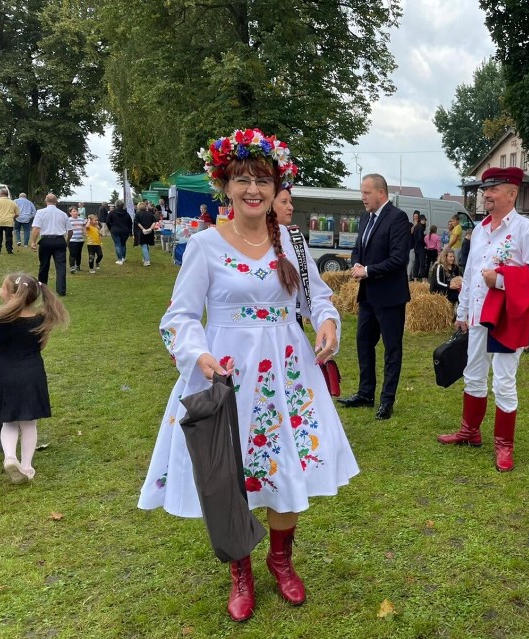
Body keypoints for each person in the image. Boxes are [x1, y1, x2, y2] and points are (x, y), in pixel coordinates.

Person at [138, 128, 358, 621]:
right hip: (228, 376)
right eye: (242, 179)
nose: (253, 189)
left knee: (285, 467)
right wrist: (197, 355)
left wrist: (326, 321)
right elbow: (179, 317)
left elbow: (317, 297)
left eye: (262, 179)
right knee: (229, 473)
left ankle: (281, 560)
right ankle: (241, 569)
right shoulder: (205, 246)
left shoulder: (292, 244)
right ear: (226, 186)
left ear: (277, 185)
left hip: (288, 375)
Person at [436, 166, 529, 472]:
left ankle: (504, 444)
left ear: (512, 193)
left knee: (503, 379)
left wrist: (499, 280)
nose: (486, 194)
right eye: (485, 189)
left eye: (494, 188)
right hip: (477, 315)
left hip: (506, 317)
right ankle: (470, 430)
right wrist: (462, 312)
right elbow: (471, 274)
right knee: (473, 372)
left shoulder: (526, 230)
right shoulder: (481, 230)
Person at [0, 273, 69, 484]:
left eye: (2, 288)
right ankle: (27, 467)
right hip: (32, 374)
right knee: (29, 424)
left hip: (5, 374)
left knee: (8, 423)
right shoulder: (42, 319)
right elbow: (41, 346)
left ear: (12, 295)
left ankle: (10, 457)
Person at [337, 173, 410, 421]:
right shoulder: (365, 218)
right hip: (367, 296)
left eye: (366, 193)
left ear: (381, 193)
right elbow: (359, 248)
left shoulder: (397, 218)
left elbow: (399, 259)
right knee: (363, 344)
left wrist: (368, 270)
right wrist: (358, 263)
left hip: (390, 297)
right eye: (362, 192)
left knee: (391, 349)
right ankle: (365, 393)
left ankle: (386, 401)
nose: (363, 198)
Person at [30, 194, 73, 296]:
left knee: (44, 265)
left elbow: (36, 228)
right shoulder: (63, 214)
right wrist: (66, 241)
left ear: (46, 201)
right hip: (59, 240)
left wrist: (33, 242)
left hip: (46, 240)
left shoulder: (40, 212)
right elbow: (70, 230)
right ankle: (61, 290)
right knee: (61, 266)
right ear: (56, 201)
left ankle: (42, 288)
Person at [0, 188, 18, 254]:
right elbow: (17, 213)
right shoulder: (13, 202)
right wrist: (13, 217)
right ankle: (9, 249)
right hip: (9, 221)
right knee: (9, 236)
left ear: (0, 194)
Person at [107, 198, 133, 264]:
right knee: (123, 244)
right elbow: (130, 222)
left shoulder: (112, 213)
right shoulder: (126, 213)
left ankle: (120, 259)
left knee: (118, 244)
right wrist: (130, 231)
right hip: (125, 231)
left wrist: (110, 228)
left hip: (115, 231)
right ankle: (123, 258)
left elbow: (107, 222)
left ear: (116, 205)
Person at [134, 201, 157, 266]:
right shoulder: (150, 214)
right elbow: (154, 222)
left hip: (142, 232)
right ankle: (145, 258)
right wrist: (150, 229)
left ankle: (147, 260)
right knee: (146, 245)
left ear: (138, 207)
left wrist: (143, 229)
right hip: (149, 232)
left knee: (144, 245)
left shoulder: (137, 214)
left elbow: (137, 223)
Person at [67, 206, 86, 273]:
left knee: (78, 253)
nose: (75, 212)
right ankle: (72, 267)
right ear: (70, 213)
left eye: (76, 211)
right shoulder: (68, 220)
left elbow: (84, 228)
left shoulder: (81, 219)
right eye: (74, 211)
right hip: (72, 240)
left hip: (80, 240)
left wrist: (84, 232)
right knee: (72, 253)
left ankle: (78, 265)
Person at [410, 211, 426, 282]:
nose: (424, 221)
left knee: (416, 263)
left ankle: (415, 279)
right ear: (420, 220)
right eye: (423, 219)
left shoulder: (416, 226)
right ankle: (423, 279)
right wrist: (424, 244)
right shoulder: (420, 227)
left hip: (416, 247)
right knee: (422, 263)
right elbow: (420, 238)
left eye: (425, 220)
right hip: (420, 248)